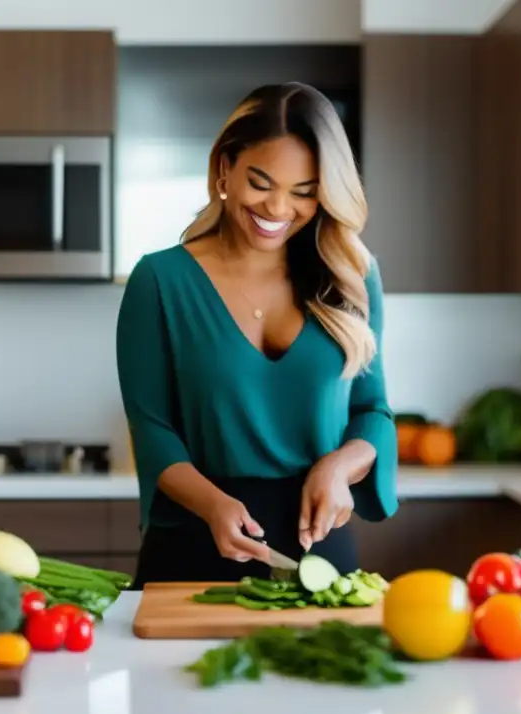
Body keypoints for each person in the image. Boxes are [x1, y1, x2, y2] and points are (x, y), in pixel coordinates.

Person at [116, 82, 398, 586]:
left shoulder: (353, 276)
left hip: (320, 547)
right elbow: (151, 428)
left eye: (304, 193)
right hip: (195, 540)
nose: (278, 209)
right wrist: (213, 505)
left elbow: (372, 411)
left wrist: (338, 468)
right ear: (225, 168)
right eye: (262, 182)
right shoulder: (159, 281)